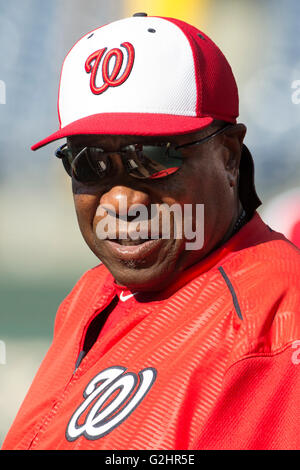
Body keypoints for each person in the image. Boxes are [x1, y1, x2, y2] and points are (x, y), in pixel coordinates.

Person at [2, 13, 300, 451]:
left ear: (229, 157)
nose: (122, 200)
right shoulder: (91, 293)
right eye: (90, 161)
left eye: (153, 158)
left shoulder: (274, 324)